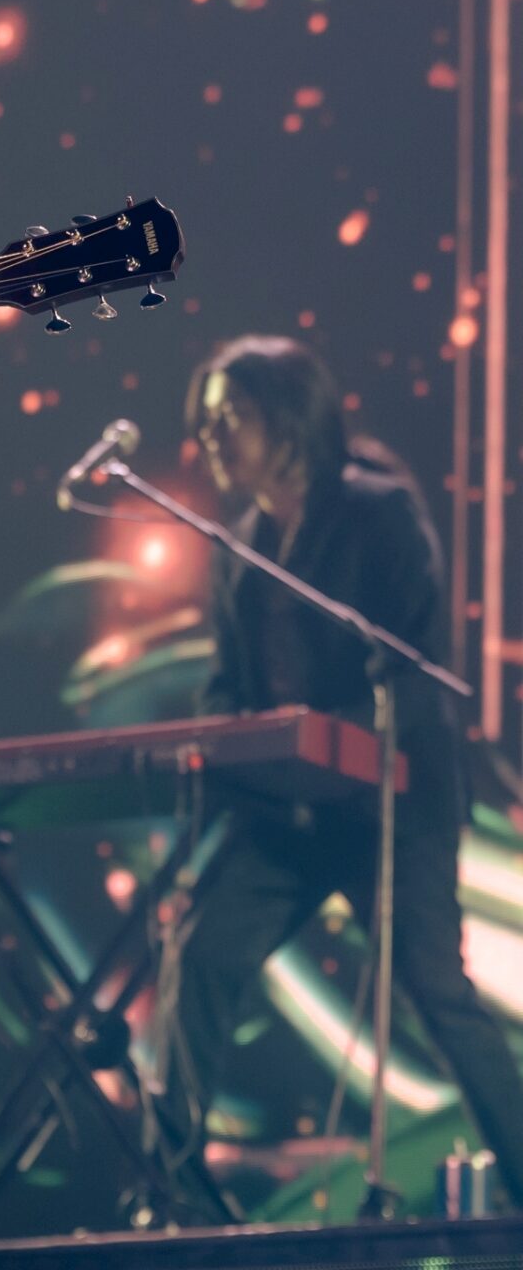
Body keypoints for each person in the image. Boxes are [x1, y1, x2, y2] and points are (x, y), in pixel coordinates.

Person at [158, 334, 523, 1209]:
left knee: (437, 994)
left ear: (286, 418)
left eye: (229, 418)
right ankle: (175, 1201)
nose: (209, 438)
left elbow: (416, 670)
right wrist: (218, 741)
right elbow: (230, 683)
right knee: (201, 953)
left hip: (392, 804)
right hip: (289, 815)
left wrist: (335, 741)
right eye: (205, 423)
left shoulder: (376, 512)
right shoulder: (238, 545)